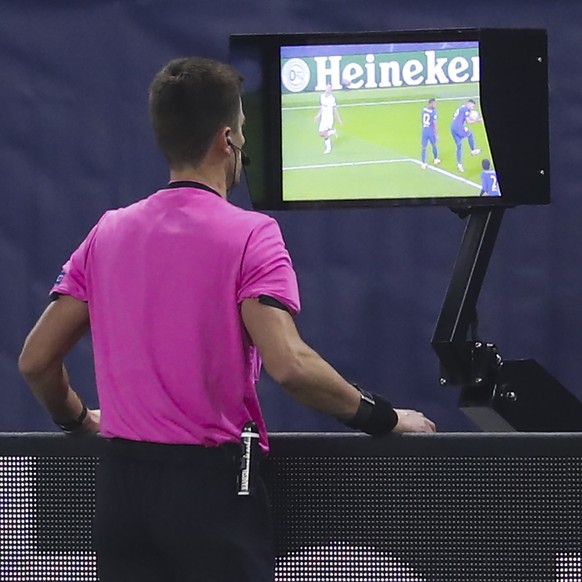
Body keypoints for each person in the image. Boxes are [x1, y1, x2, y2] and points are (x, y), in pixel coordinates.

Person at [18, 57, 436, 582]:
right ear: (227, 140)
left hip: (121, 491)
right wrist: (385, 417)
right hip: (210, 494)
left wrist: (79, 422)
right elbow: (292, 366)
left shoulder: (108, 231)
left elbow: (36, 361)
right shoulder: (251, 235)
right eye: (241, 131)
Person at [450, 98, 481, 172]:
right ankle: (473, 150)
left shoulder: (462, 108)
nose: (472, 108)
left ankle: (459, 164)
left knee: (459, 145)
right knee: (470, 134)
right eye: (472, 106)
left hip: (452, 127)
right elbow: (469, 121)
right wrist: (478, 120)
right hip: (459, 127)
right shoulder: (465, 110)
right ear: (469, 104)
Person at [314, 83, 343, 154]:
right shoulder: (322, 97)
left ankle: (328, 148)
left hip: (329, 118)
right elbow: (322, 107)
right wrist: (318, 116)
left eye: (330, 88)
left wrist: (339, 120)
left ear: (331, 89)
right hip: (323, 118)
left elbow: (335, 109)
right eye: (327, 87)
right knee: (321, 134)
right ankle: (332, 132)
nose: (328, 89)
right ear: (325, 88)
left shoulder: (332, 98)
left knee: (324, 133)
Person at [420, 98, 440, 169]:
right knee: (434, 145)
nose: (435, 105)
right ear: (430, 103)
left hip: (424, 130)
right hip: (431, 131)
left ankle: (423, 163)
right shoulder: (433, 112)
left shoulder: (424, 110)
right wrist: (436, 135)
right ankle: (435, 159)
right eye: (434, 103)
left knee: (423, 147)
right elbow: (435, 124)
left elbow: (422, 120)